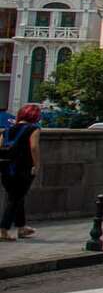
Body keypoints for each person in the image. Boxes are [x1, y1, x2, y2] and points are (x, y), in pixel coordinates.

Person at [2, 103, 43, 241]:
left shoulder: (7, 130)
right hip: (23, 169)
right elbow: (34, 147)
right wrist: (36, 165)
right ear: (35, 116)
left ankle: (21, 227)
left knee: (17, 197)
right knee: (14, 199)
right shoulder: (33, 129)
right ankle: (3, 230)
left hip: (7, 169)